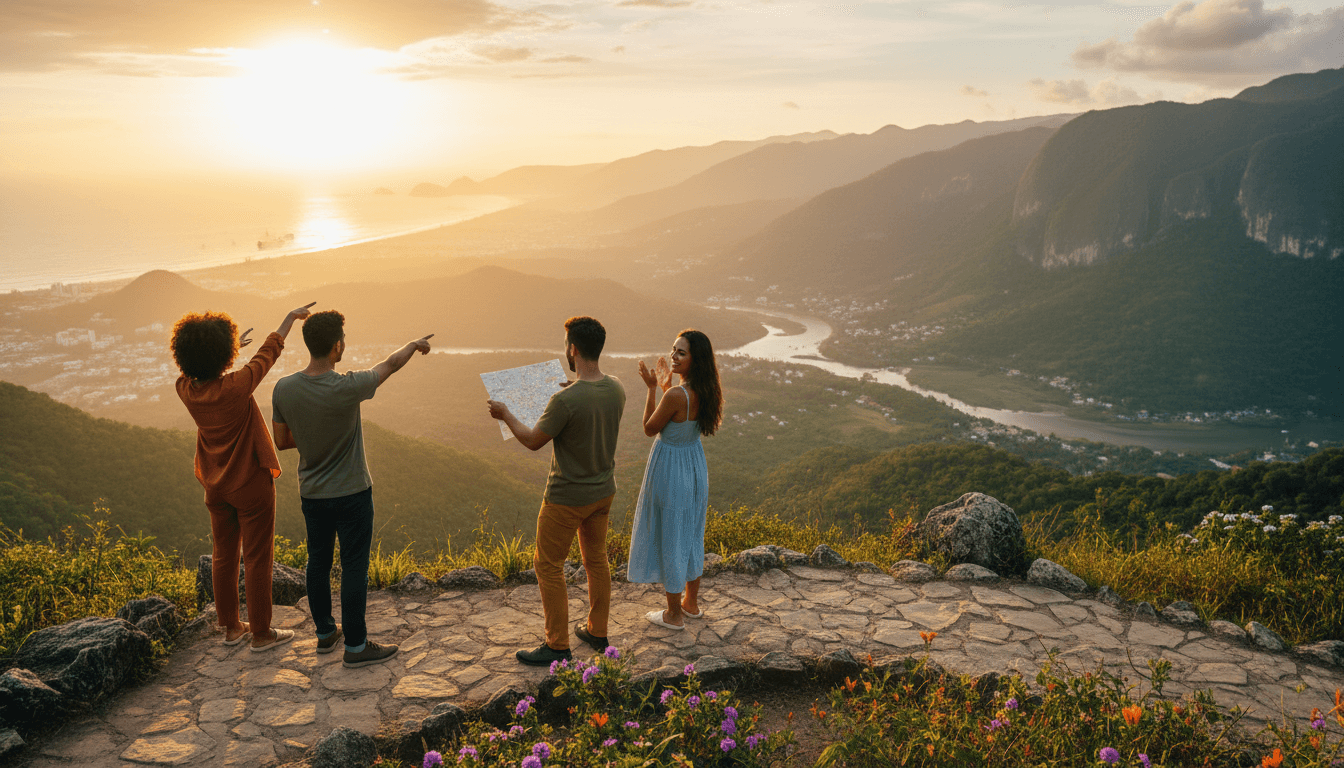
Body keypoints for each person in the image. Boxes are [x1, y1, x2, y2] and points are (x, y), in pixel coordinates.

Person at [271, 310, 432, 668]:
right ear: (336, 346)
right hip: (352, 493)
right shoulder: (347, 386)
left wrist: (313, 434)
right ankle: (356, 647)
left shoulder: (284, 388)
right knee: (354, 567)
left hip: (312, 494)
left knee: (318, 563)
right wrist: (412, 344)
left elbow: (281, 442)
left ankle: (326, 634)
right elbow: (389, 365)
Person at [173, 301, 315, 652]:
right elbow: (268, 354)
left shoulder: (185, 389)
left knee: (223, 554)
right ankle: (263, 634)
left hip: (215, 485)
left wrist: (224, 357)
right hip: (250, 483)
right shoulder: (237, 387)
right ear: (223, 356)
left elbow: (200, 371)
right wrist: (288, 319)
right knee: (257, 556)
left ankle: (232, 628)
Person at [487, 316, 625, 665]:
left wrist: (505, 414)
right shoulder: (617, 388)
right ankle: (596, 631)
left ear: (573, 348)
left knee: (547, 565)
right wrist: (570, 390)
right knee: (596, 560)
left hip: (565, 497)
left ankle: (557, 644)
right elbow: (588, 405)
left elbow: (533, 441)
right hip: (603, 492)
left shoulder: (565, 401)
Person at [627, 329, 722, 630]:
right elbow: (682, 417)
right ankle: (690, 604)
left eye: (681, 352)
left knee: (671, 535)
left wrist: (652, 388)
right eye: (674, 349)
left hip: (671, 468)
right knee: (692, 532)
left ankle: (673, 615)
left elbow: (649, 427)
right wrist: (667, 387)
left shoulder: (675, 395)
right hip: (694, 465)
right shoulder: (707, 390)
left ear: (696, 359)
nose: (674, 356)